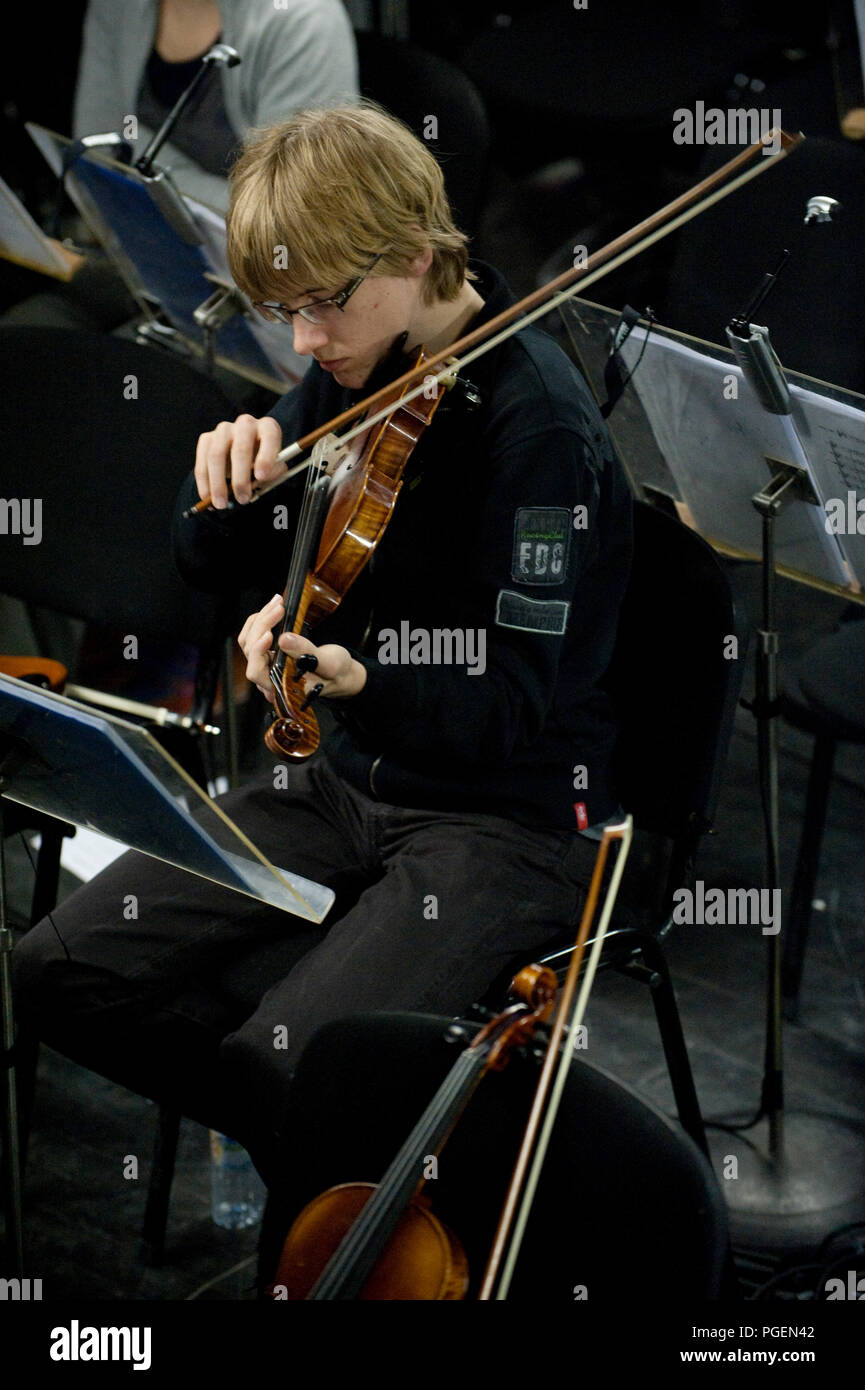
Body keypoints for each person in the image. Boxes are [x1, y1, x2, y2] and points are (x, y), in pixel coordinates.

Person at [13, 102, 634, 1192]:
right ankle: (324, 1146)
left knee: (288, 1064)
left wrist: (364, 677)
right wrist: (219, 496)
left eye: (323, 306)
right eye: (282, 311)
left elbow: (509, 704)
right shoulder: (357, 358)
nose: (302, 342)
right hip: (340, 777)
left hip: (505, 820)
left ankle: (342, 1142)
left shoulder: (543, 440)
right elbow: (219, 574)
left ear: (414, 255)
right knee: (59, 969)